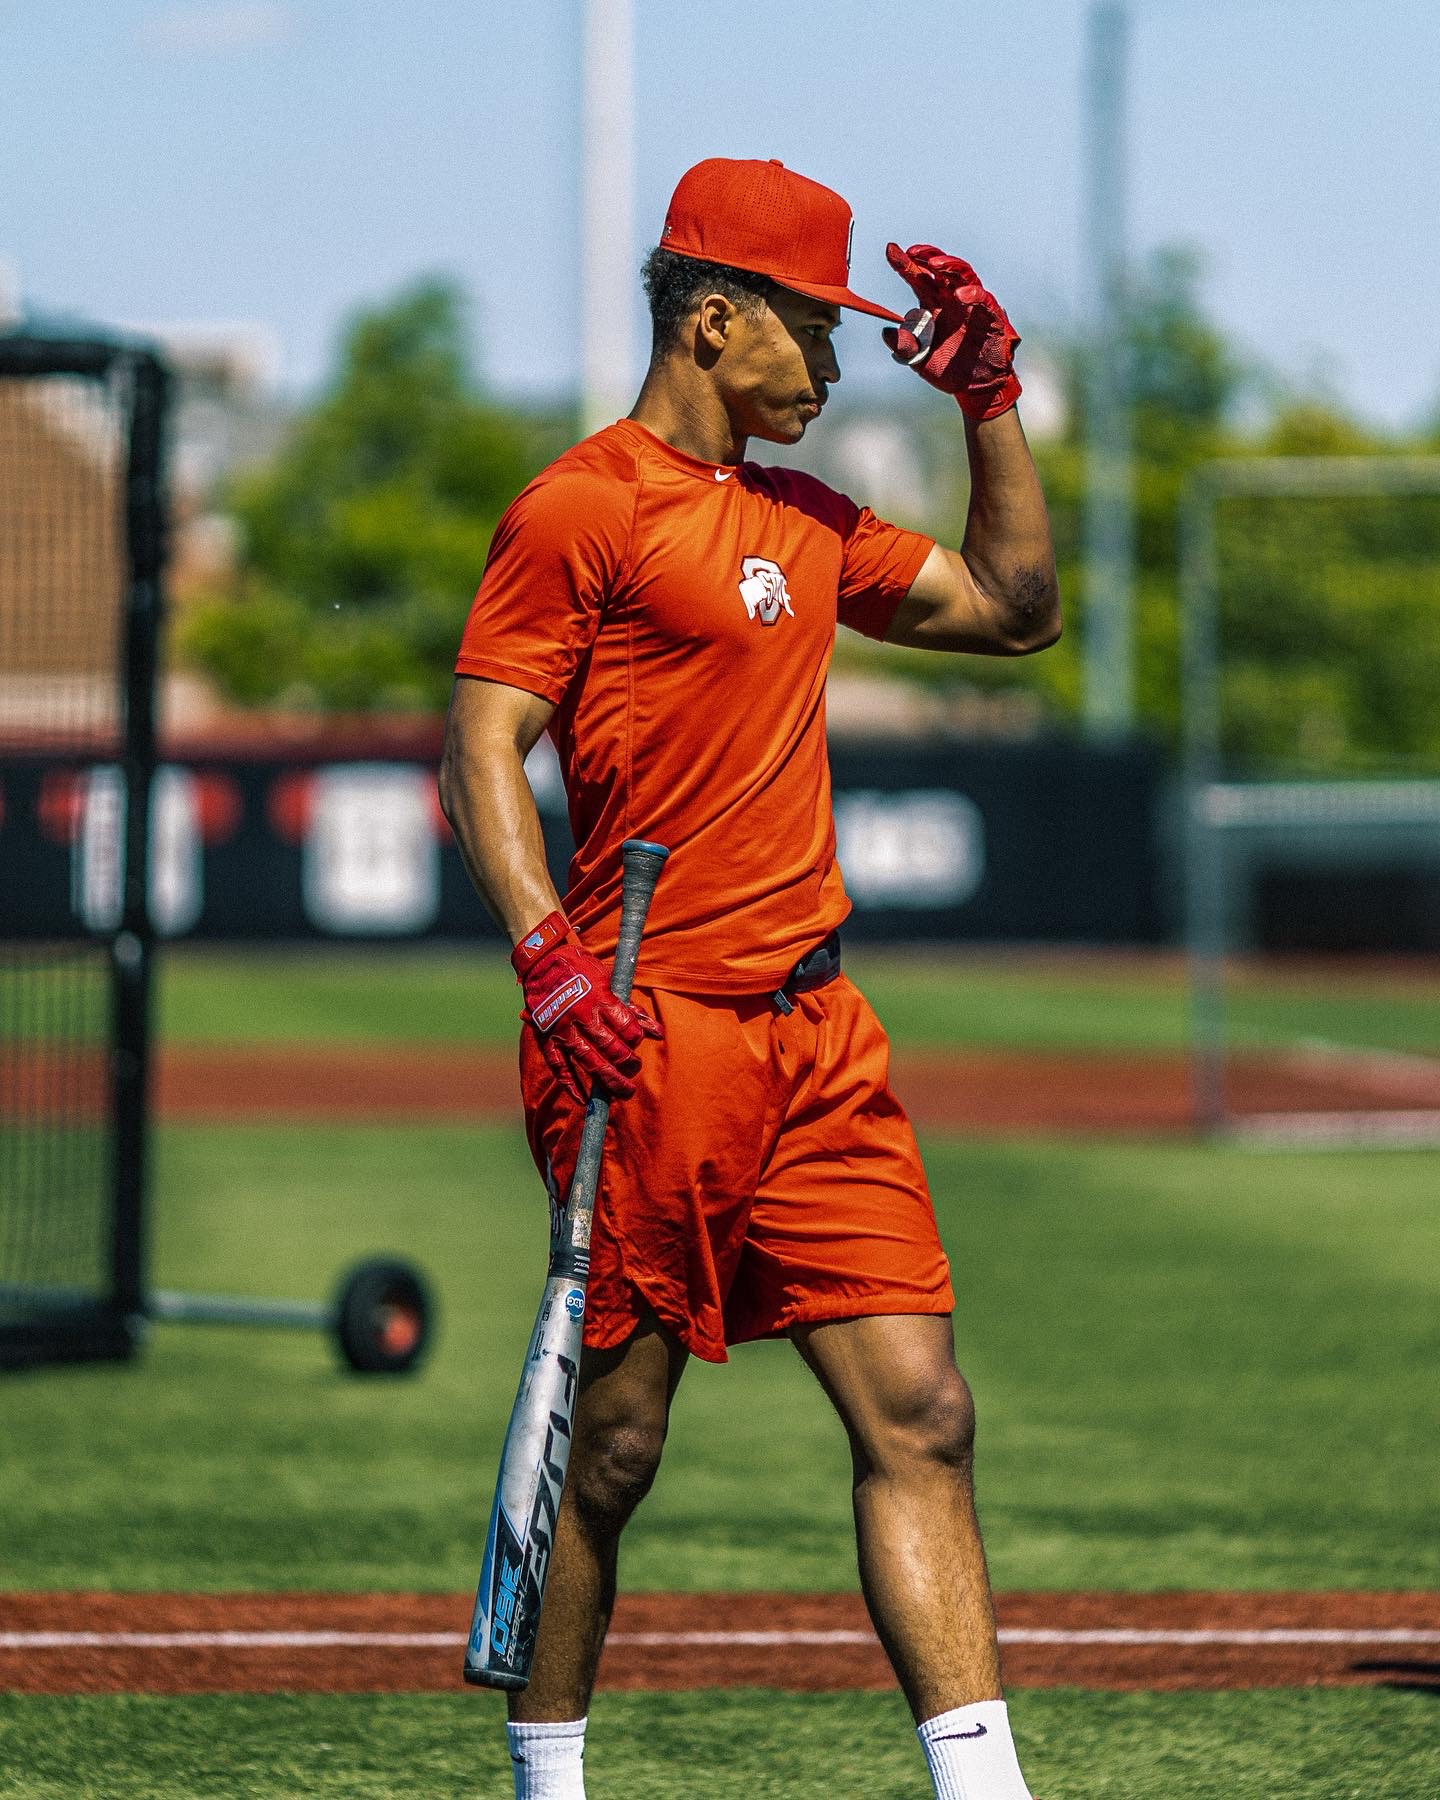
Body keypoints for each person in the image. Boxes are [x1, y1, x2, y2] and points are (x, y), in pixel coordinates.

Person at [440, 156, 1060, 1800]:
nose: (836, 363)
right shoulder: (583, 506)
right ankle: (550, 1783)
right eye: (813, 328)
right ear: (716, 320)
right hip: (649, 1038)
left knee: (922, 1411)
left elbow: (1014, 609)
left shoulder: (808, 521)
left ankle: (983, 1788)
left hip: (817, 1037)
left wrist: (992, 400)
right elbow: (481, 742)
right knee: (617, 1448)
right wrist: (546, 958)